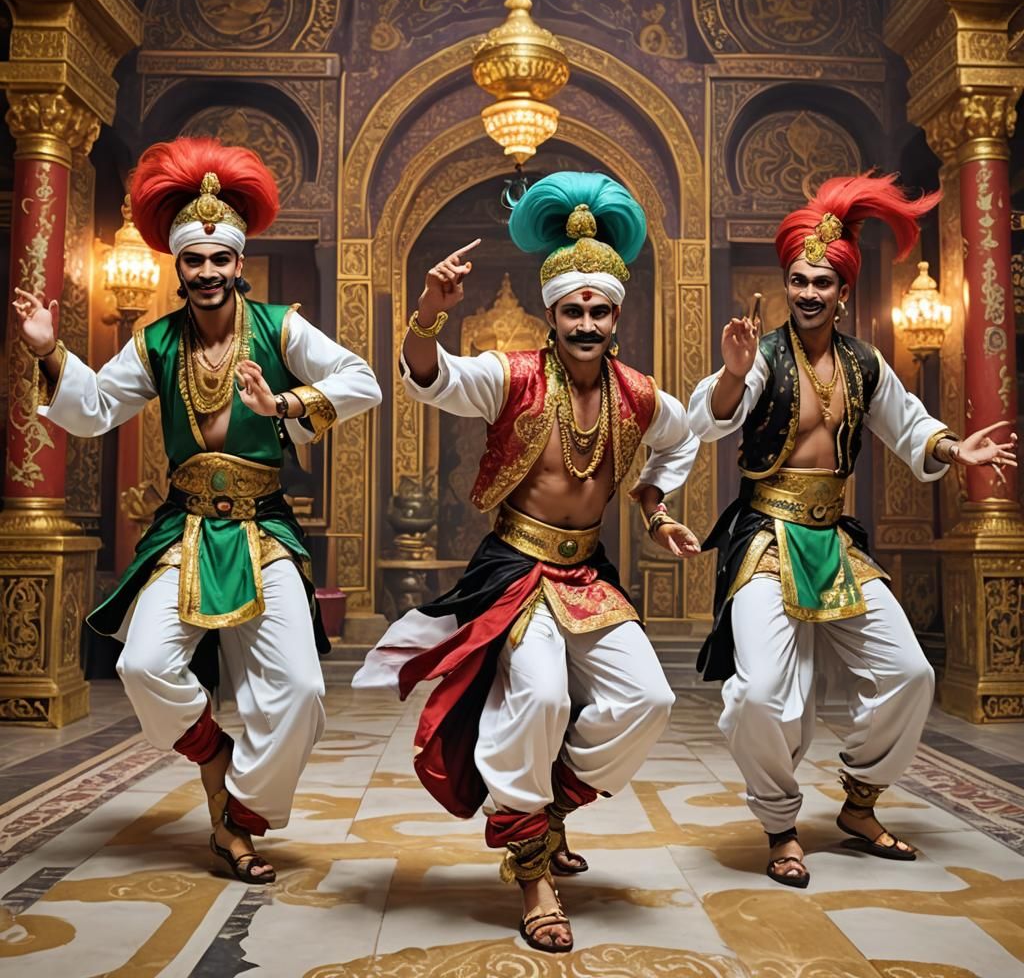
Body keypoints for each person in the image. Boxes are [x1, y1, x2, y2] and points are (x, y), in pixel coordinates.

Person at [13, 137, 382, 883]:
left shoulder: (281, 327)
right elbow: (89, 409)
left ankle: (239, 816)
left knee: (303, 690)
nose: (207, 273)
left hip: (261, 529)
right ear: (177, 268)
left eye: (220, 260)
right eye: (193, 261)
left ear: (238, 263)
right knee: (145, 665)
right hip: (183, 528)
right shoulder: (155, 341)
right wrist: (50, 352)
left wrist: (281, 403)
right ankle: (215, 754)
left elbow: (362, 381)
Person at [354, 172, 700, 952]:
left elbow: (681, 440)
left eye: (599, 310)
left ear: (617, 317)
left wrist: (657, 507)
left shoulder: (639, 395)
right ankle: (533, 870)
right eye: (573, 309)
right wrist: (427, 317)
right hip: (515, 568)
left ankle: (548, 808)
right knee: (539, 699)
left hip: (587, 575)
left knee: (648, 700)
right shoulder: (510, 376)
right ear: (552, 313)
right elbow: (430, 377)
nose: (586, 321)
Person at [688, 173, 1017, 888]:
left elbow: (908, 425)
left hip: (832, 540)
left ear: (843, 293)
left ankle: (861, 804)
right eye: (798, 281)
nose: (808, 294)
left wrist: (954, 448)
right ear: (786, 284)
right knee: (762, 692)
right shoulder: (762, 357)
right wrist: (729, 375)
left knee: (910, 673)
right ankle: (780, 823)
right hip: (767, 538)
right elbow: (708, 418)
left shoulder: (865, 364)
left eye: (822, 284)